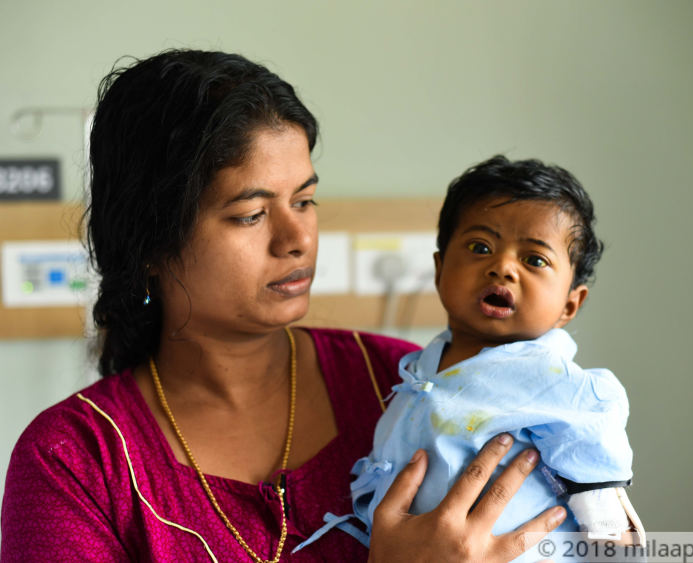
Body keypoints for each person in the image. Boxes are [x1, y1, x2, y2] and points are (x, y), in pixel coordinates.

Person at [0, 51, 566, 562]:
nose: (297, 239)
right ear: (149, 243)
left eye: (305, 200)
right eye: (250, 215)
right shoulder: (73, 463)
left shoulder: (408, 388)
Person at [313, 155, 645, 559]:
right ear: (439, 270)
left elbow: (594, 453)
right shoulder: (420, 368)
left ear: (569, 304)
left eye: (535, 259)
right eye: (480, 247)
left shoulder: (553, 380)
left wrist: (609, 536)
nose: (502, 267)